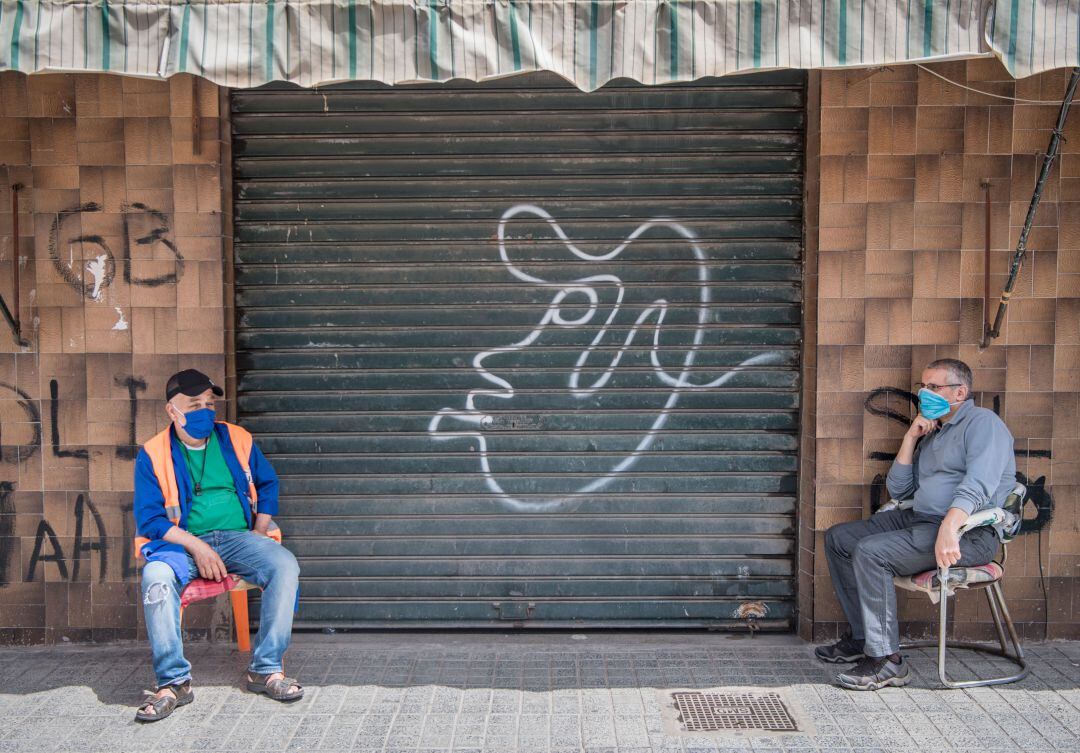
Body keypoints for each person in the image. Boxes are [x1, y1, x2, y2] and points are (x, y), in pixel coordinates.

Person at [816, 358, 1016, 690]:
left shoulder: (983, 424)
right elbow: (901, 489)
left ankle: (887, 661)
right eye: (922, 387)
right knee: (840, 539)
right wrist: (911, 437)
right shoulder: (934, 432)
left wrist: (950, 528)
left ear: (959, 392)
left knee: (871, 552)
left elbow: (980, 485)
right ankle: (865, 638)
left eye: (934, 387)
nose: (925, 393)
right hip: (921, 520)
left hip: (968, 534)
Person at [133, 369, 302, 722]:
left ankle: (265, 669)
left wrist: (257, 532)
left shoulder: (236, 438)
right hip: (182, 546)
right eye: (194, 404)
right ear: (171, 411)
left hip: (239, 537)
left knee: (284, 565)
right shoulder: (152, 453)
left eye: (209, 403)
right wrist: (198, 547)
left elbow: (268, 484)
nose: (205, 411)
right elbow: (150, 520)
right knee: (156, 579)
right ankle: (174, 682)